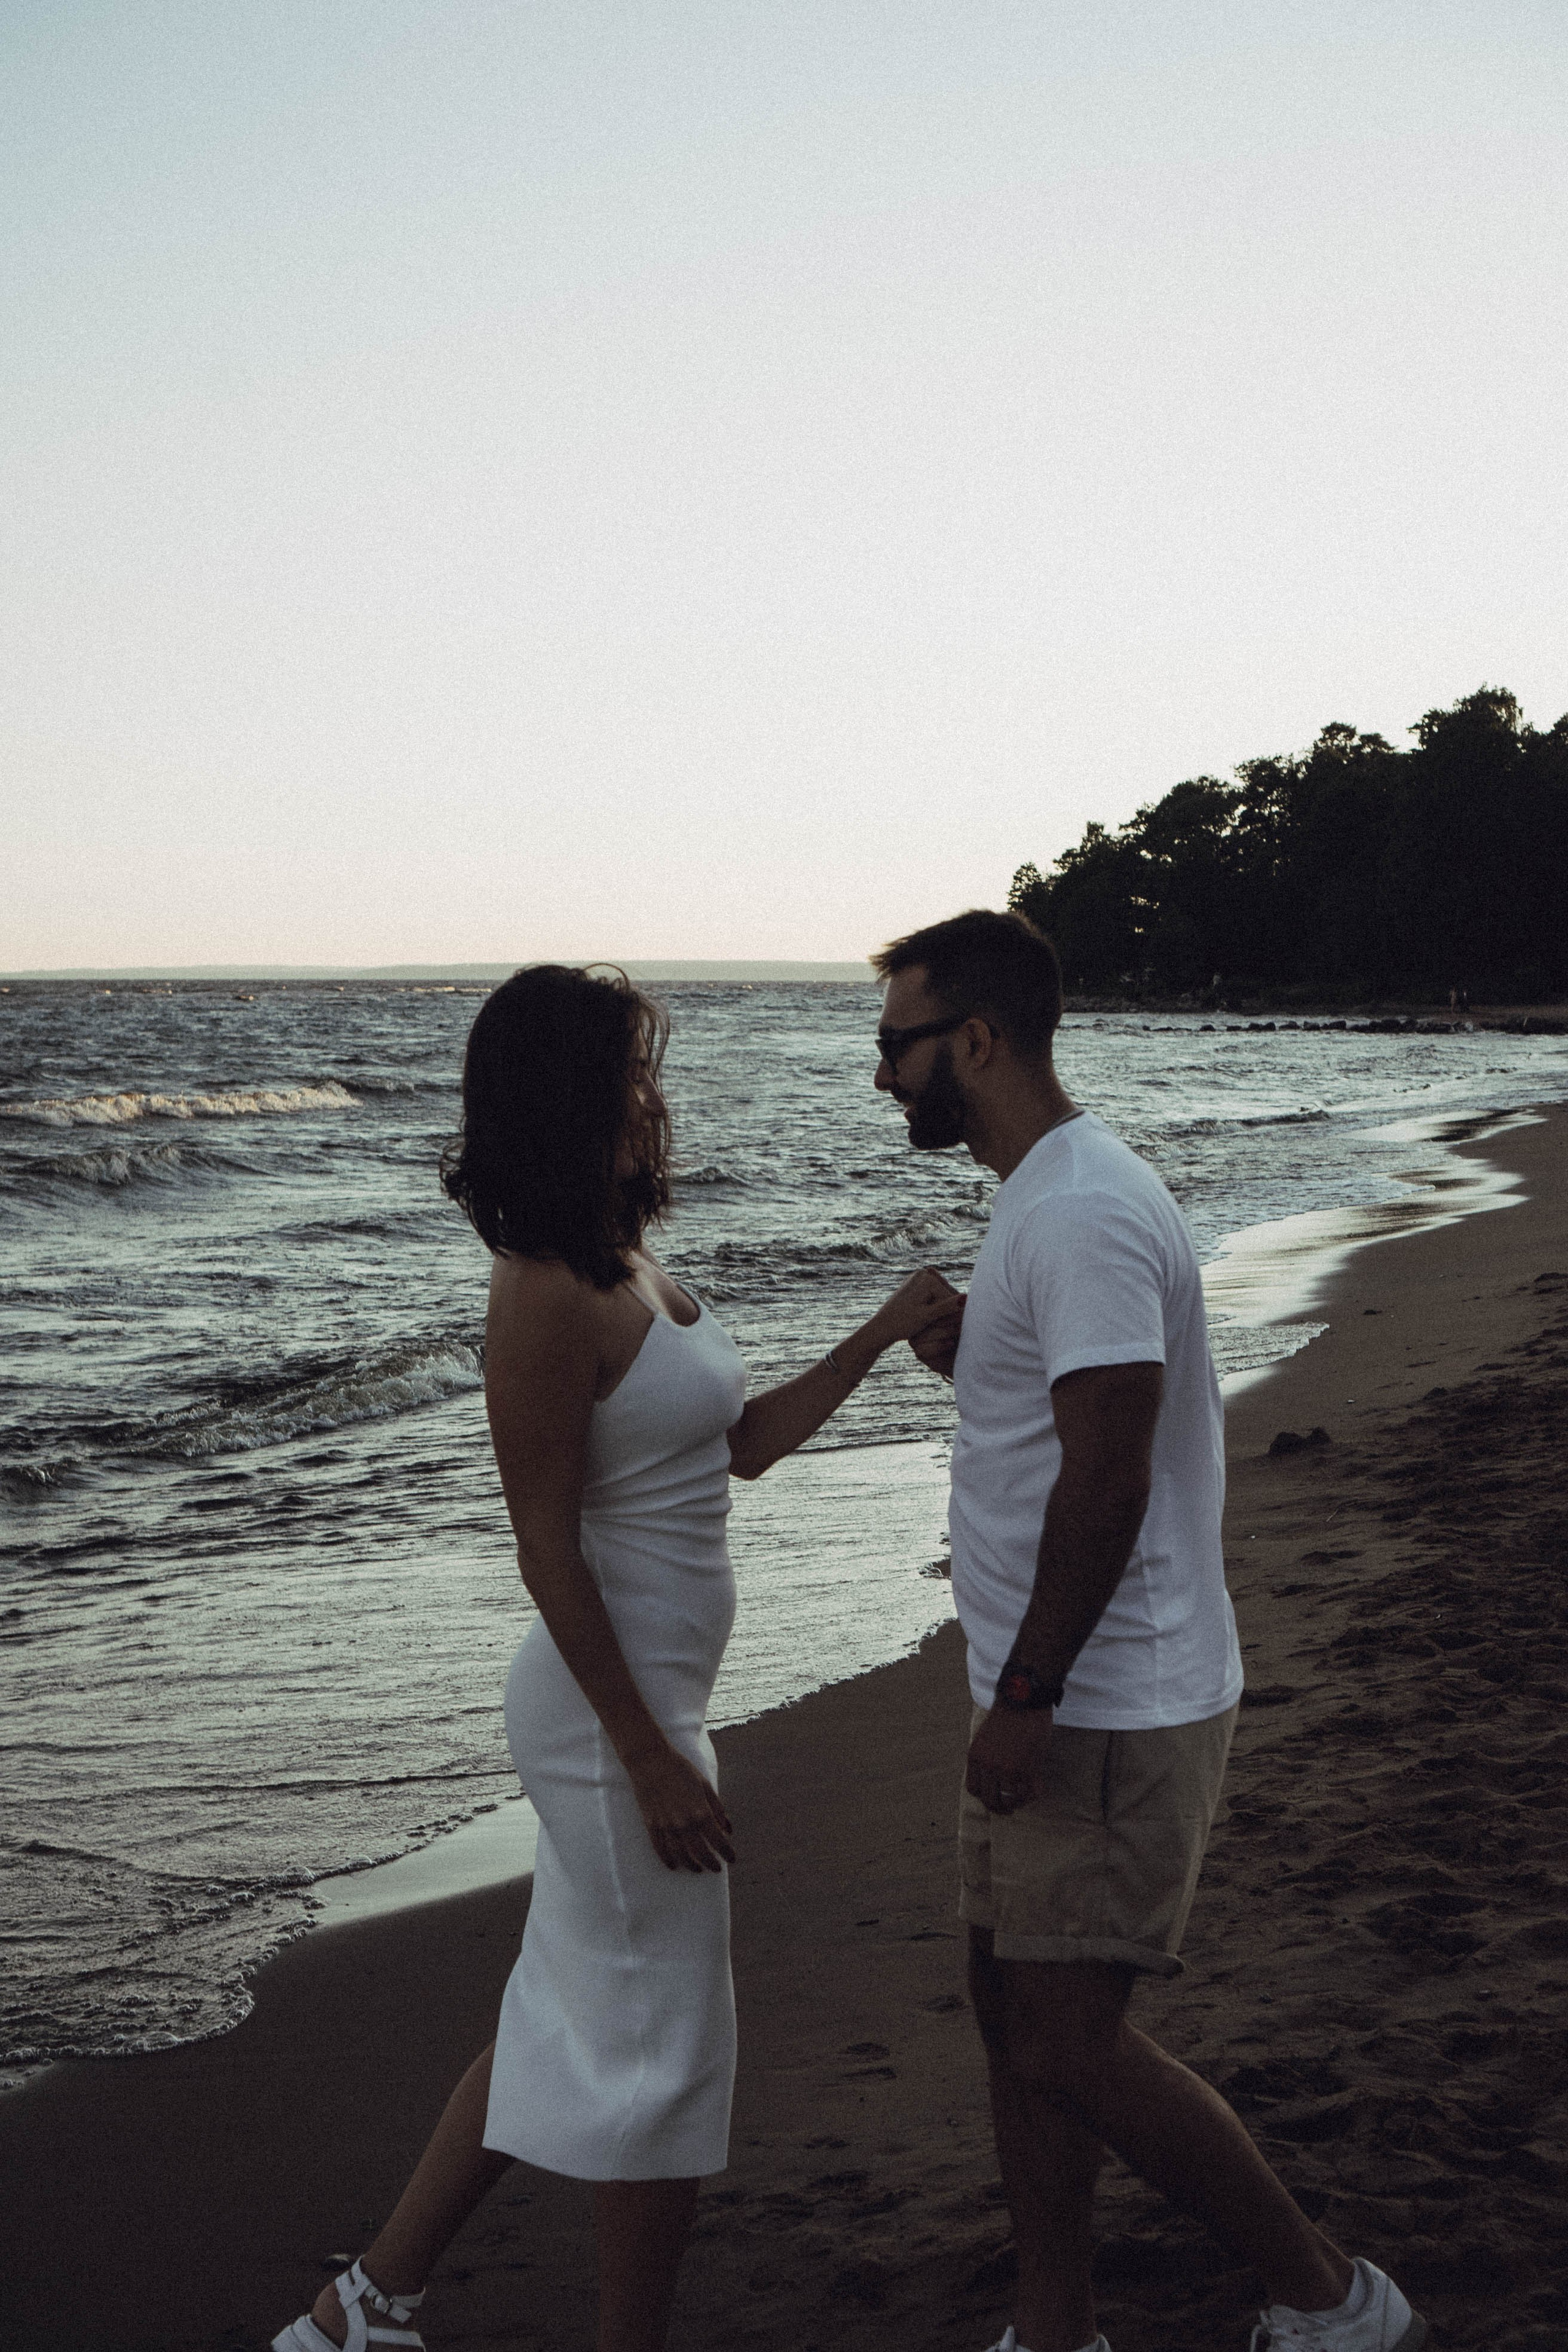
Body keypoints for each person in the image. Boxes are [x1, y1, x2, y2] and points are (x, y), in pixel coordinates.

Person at [272, 965, 956, 2352]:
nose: (655, 1093)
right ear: (574, 1098)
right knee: (663, 2060)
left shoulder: (628, 1262)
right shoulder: (535, 1297)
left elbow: (739, 1447)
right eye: (633, 1072)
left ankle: (361, 2309)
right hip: (607, 1727)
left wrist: (882, 1332)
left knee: (561, 2016)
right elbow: (546, 1551)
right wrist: (645, 1755)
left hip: (648, 1710)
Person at [875, 911, 1425, 2352]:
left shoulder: (1079, 1210)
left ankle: (1329, 2303)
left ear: (974, 1041)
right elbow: (1066, 1425)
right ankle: (1054, 2329)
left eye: (898, 1044)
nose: (883, 1077)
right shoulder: (1044, 1201)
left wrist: (1032, 1693)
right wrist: (975, 1358)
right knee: (1013, 2020)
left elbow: (1111, 1471)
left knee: (1066, 2038)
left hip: (1100, 1701)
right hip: (1055, 1690)